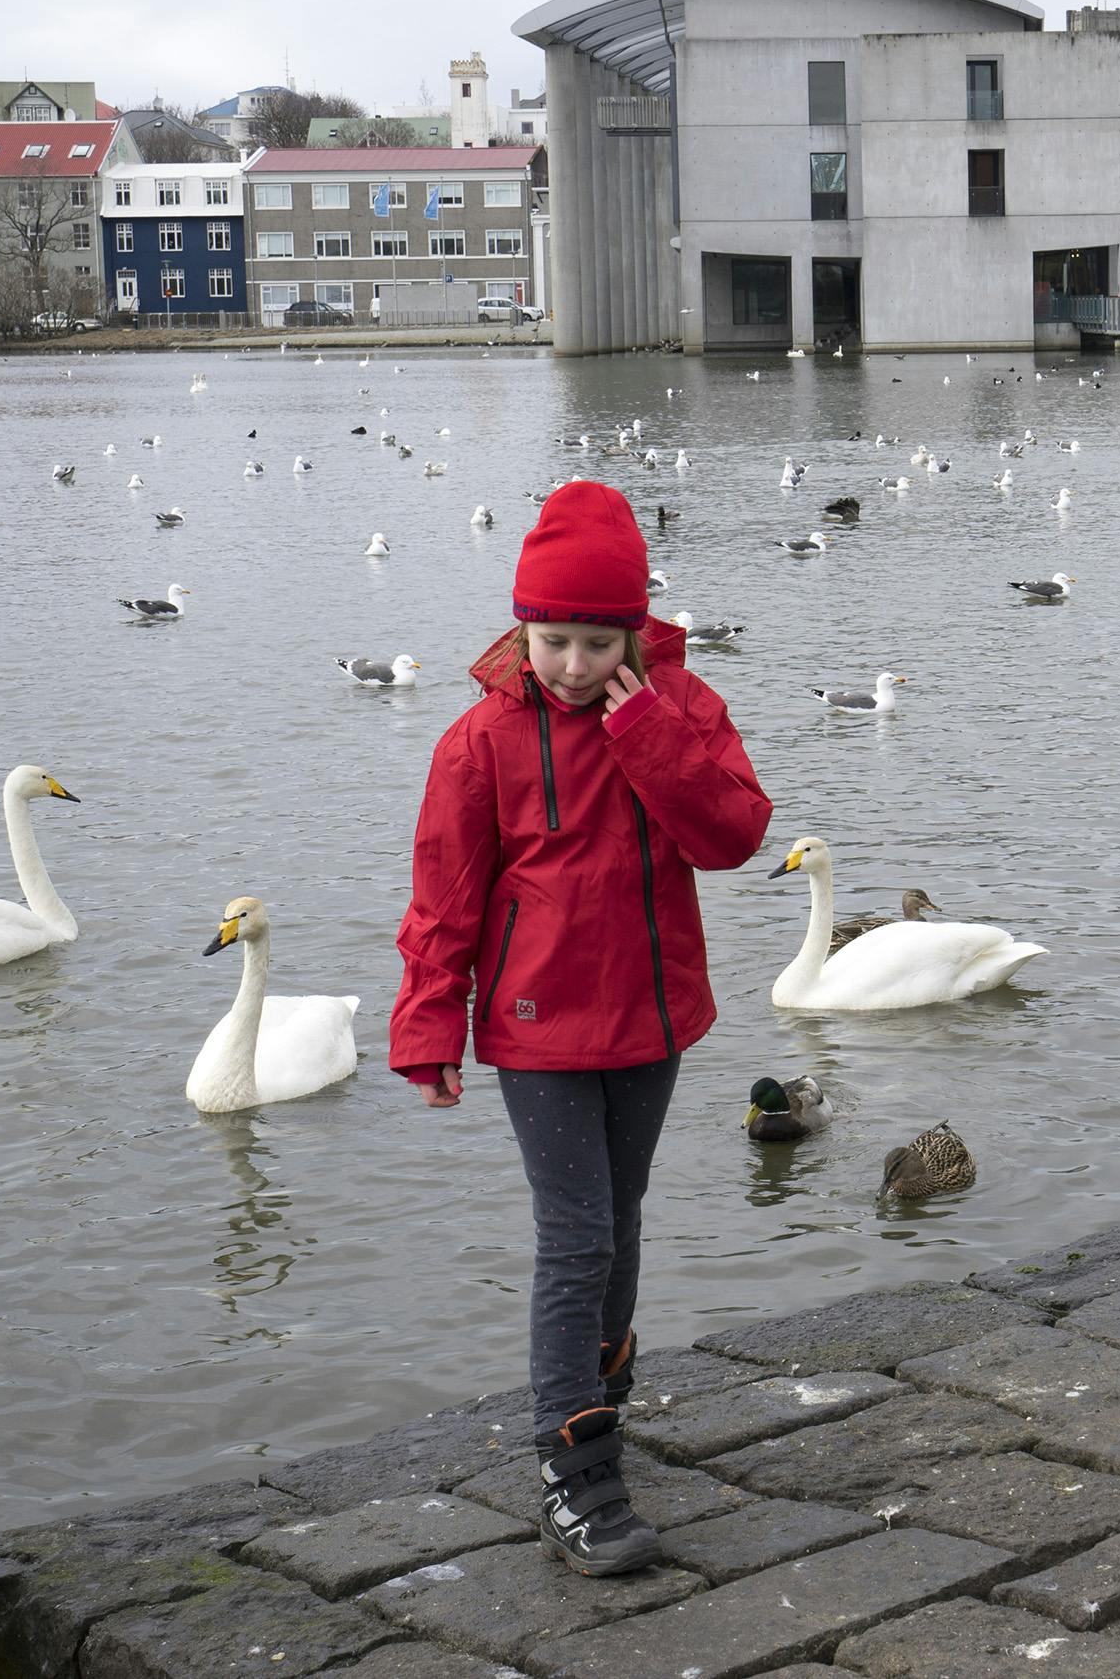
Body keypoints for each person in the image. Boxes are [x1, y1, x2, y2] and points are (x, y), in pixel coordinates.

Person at [392, 481, 773, 1578]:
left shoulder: (680, 707)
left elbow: (733, 835)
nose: (569, 664)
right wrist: (428, 1028)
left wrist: (644, 727)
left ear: (632, 633)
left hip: (649, 1015)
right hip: (535, 1021)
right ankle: (572, 1462)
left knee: (623, 1214)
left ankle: (600, 1401)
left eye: (595, 642)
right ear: (523, 627)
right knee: (577, 1233)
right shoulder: (479, 741)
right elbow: (444, 894)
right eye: (552, 639)